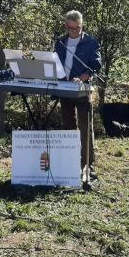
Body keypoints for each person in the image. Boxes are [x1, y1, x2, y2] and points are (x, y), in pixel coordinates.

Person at [54, 10, 102, 176]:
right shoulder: (60, 42)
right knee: (68, 125)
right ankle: (70, 160)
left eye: (77, 28)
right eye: (70, 28)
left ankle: (88, 164)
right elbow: (55, 62)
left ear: (82, 26)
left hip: (82, 89)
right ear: (66, 26)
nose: (74, 31)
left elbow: (96, 65)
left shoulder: (91, 43)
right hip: (64, 87)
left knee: (85, 126)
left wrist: (85, 76)